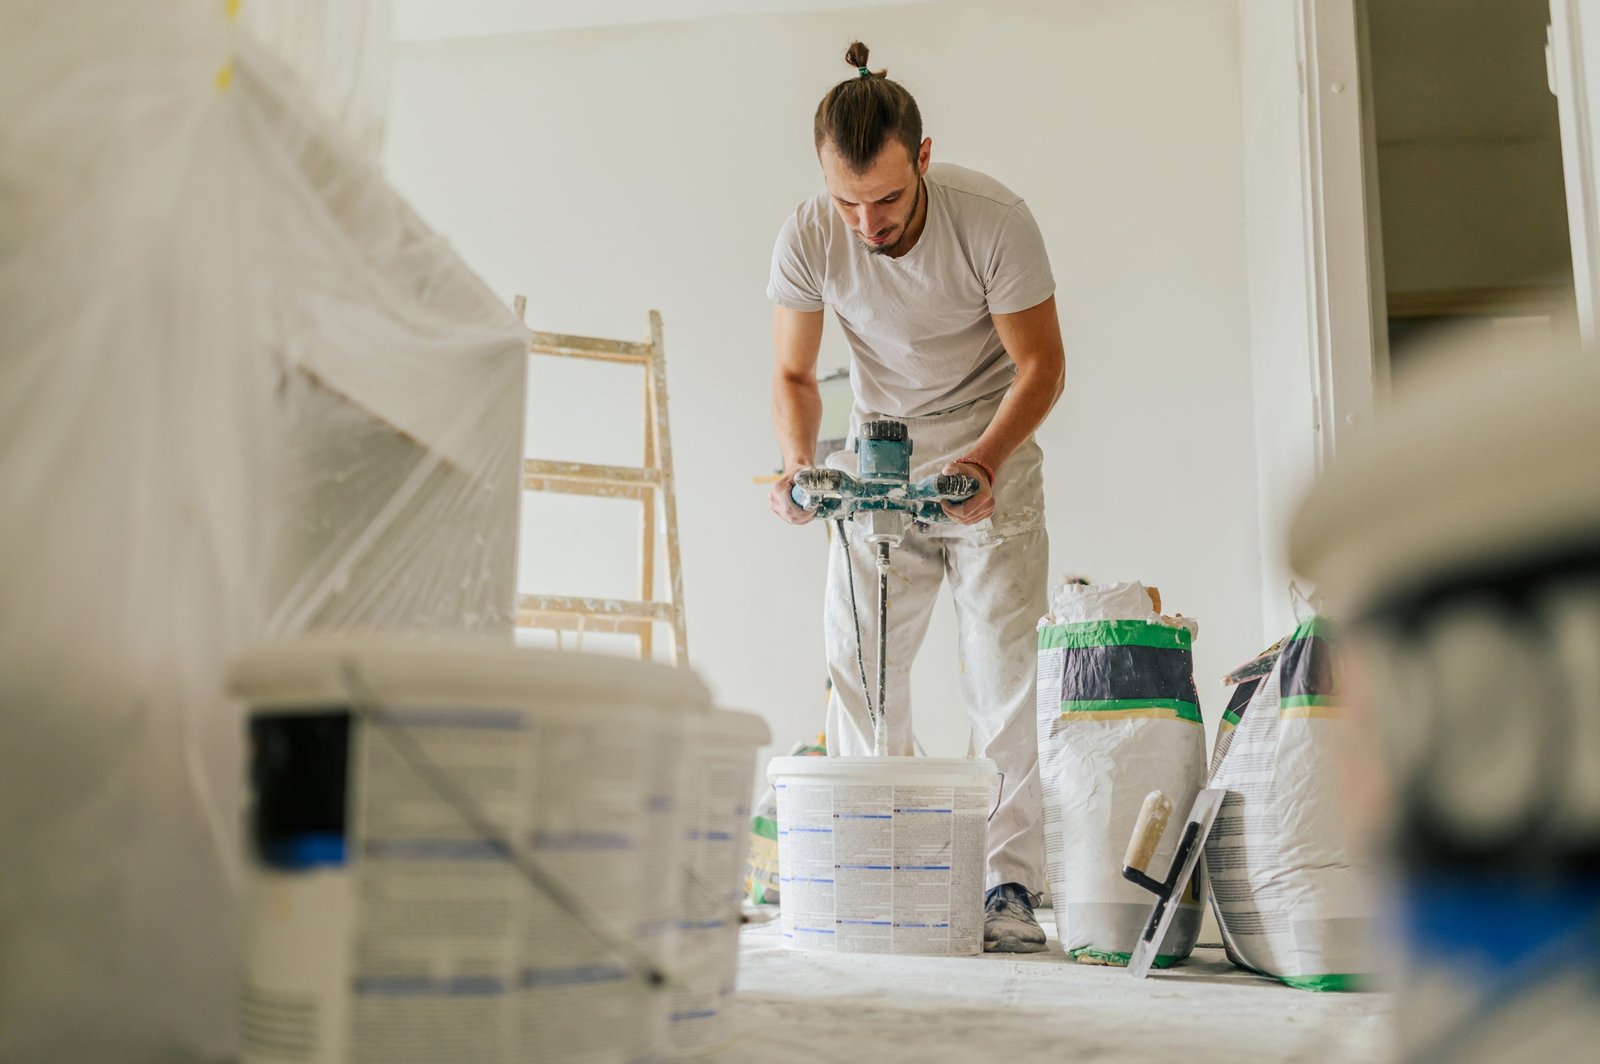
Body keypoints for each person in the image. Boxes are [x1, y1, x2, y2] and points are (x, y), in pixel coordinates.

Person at [766, 41, 1066, 953]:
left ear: (923, 161)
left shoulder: (992, 220)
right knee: (860, 679)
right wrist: (797, 469)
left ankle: (1006, 891)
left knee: (1004, 685)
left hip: (989, 457)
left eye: (888, 200)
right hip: (878, 463)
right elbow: (793, 372)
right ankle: (875, 868)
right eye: (847, 202)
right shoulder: (811, 235)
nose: (867, 224)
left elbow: (1042, 366)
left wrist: (983, 461)